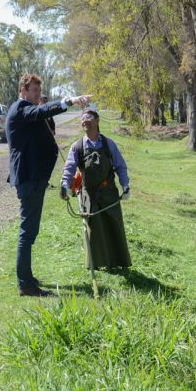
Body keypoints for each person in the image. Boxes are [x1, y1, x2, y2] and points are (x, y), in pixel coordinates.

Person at [6, 73, 90, 297]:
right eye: (34, 91)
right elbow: (41, 111)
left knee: (30, 231)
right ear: (23, 91)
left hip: (34, 178)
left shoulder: (27, 111)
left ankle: (27, 277)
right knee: (27, 231)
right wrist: (68, 101)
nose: (37, 95)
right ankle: (25, 284)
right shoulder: (21, 109)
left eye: (38, 91)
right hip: (29, 178)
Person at [60, 109, 131, 270]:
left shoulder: (108, 144)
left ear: (97, 121)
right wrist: (65, 184)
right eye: (83, 118)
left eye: (89, 117)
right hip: (88, 196)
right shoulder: (77, 146)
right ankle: (95, 264)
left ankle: (118, 262)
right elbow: (69, 167)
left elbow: (120, 166)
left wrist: (126, 186)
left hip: (109, 194)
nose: (85, 120)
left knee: (114, 226)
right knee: (93, 230)